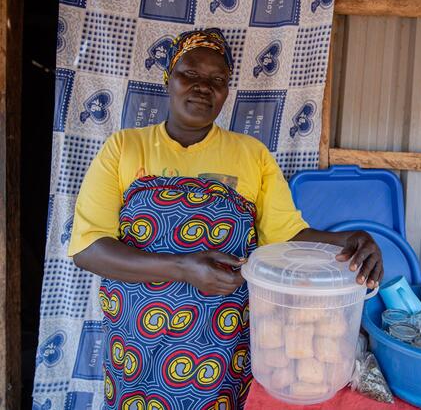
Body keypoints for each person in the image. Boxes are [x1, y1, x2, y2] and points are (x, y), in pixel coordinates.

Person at [68, 28, 384, 410]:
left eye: (217, 80)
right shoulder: (123, 148)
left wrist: (350, 240)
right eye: (190, 74)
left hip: (222, 346)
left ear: (226, 91)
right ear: (169, 78)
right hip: (139, 347)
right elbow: (88, 248)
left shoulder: (251, 155)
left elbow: (287, 237)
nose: (203, 87)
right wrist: (182, 268)